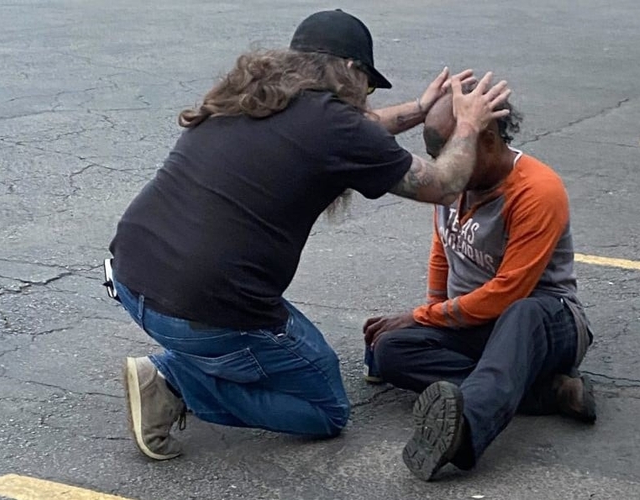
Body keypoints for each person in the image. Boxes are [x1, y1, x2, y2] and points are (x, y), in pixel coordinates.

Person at [108, 9, 512, 461]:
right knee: (323, 408)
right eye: (369, 87)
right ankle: (173, 381)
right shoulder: (336, 125)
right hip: (200, 309)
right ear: (352, 71)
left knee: (278, 359)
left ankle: (198, 363)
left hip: (131, 278)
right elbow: (443, 183)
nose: (366, 98)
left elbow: (360, 131)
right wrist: (470, 127)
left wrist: (419, 111)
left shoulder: (252, 96)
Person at [362, 91, 596, 481]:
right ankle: (547, 393)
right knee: (391, 350)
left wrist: (424, 315)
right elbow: (442, 251)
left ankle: (466, 430)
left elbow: (509, 291)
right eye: (436, 156)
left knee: (522, 312)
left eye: (450, 154)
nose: (441, 168)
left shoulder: (537, 190)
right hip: (476, 321)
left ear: (487, 140)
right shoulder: (452, 182)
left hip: (545, 321)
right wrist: (430, 316)